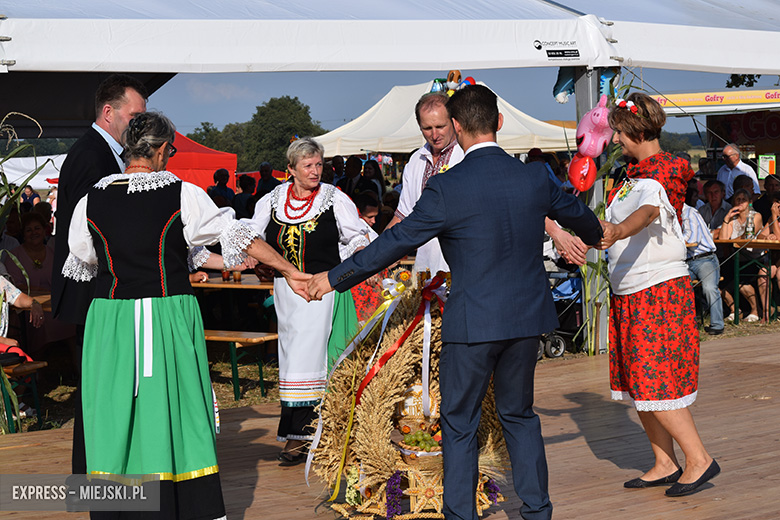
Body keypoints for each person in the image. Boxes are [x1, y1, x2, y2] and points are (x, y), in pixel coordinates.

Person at [307, 85, 602, 520]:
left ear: (458, 127)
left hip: (473, 322)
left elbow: (393, 243)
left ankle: (460, 516)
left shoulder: (447, 187)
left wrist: (332, 278)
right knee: (520, 415)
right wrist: (595, 233)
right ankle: (538, 511)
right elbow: (585, 223)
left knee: (459, 424)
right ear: (499, 122)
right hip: (526, 320)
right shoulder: (536, 176)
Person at [62, 112, 309, 520]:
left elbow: (89, 259)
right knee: (175, 410)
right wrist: (290, 270)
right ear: (160, 150)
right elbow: (238, 235)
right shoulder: (181, 193)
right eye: (171, 151)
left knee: (116, 409)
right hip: (165, 316)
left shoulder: (91, 199)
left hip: (110, 321)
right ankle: (181, 506)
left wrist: (239, 264)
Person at [599, 92, 719, 499]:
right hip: (630, 290)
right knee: (639, 381)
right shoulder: (630, 174)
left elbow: (650, 211)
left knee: (655, 380)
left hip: (657, 290)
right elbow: (624, 215)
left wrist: (616, 231)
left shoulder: (668, 168)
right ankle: (664, 461)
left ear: (636, 129)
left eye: (618, 130)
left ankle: (699, 458)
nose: (615, 138)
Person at [245, 137, 370, 466]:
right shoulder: (272, 200)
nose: (315, 171)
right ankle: (303, 434)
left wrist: (359, 249)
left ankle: (302, 437)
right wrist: (256, 260)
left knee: (312, 361)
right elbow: (251, 236)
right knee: (292, 361)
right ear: (290, 170)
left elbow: (355, 234)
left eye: (319, 165)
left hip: (321, 290)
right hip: (287, 292)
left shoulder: (333, 198)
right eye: (308, 166)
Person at [51, 73, 148, 476]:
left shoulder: (102, 152)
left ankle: (107, 469)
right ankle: (94, 474)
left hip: (101, 292)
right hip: (94, 293)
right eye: (135, 116)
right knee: (98, 389)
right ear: (109, 113)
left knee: (105, 387)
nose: (140, 126)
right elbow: (104, 228)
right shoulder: (92, 156)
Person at [386, 92, 465, 275]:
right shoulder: (416, 160)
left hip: (460, 266)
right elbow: (402, 216)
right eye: (427, 128)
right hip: (425, 267)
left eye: (440, 126)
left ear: (454, 121)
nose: (435, 134)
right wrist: (378, 254)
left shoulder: (465, 156)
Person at [5, 212, 76, 356]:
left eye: (37, 228)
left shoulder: (52, 253)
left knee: (71, 322)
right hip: (26, 307)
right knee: (42, 323)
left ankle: (77, 369)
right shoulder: (13, 256)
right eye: (29, 230)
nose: (34, 233)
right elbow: (15, 287)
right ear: (23, 234)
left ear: (44, 230)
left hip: (53, 305)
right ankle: (36, 366)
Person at [719, 188, 769, 322]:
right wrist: (726, 218)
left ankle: (755, 309)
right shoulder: (732, 219)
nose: (740, 202)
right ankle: (735, 310)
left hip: (753, 258)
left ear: (749, 202)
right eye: (738, 199)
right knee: (717, 282)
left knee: (741, 281)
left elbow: (749, 236)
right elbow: (724, 240)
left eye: (744, 200)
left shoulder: (755, 216)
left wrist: (734, 239)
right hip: (736, 257)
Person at [682, 203, 724, 334]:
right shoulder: (671, 215)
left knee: (709, 288)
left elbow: (691, 238)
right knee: (677, 286)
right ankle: (683, 324)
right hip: (685, 261)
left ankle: (717, 325)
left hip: (705, 258)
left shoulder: (688, 213)